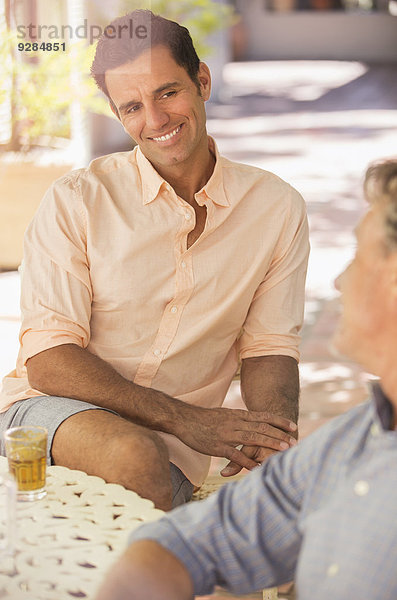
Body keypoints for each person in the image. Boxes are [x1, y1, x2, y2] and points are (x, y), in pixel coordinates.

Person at [0, 10, 309, 511]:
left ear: (202, 80)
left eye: (167, 92)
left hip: (173, 456)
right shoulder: (77, 200)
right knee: (132, 453)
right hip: (46, 415)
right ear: (116, 114)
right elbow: (50, 360)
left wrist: (272, 437)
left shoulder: (276, 207)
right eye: (132, 107)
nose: (155, 120)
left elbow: (269, 346)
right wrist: (187, 419)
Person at [92, 159, 397, 599]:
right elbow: (186, 544)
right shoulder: (352, 440)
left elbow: (269, 346)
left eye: (359, 257)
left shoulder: (272, 205)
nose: (340, 278)